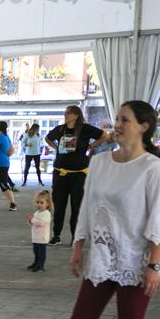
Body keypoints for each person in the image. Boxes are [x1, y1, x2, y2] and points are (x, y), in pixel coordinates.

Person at [21, 100, 160, 319]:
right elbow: (87, 207)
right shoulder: (100, 162)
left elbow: (159, 219)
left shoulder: (152, 167)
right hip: (102, 258)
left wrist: (154, 265)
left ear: (143, 127)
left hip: (136, 261)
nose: (118, 124)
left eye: (125, 120)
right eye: (117, 119)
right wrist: (78, 246)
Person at [45, 105, 108, 245]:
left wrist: (92, 146)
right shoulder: (60, 129)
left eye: (68, 113)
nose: (65, 115)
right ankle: (56, 235)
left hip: (79, 174)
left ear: (76, 115)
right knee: (59, 205)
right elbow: (47, 138)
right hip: (60, 172)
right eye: (65, 113)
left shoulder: (85, 129)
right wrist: (56, 147)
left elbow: (104, 135)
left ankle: (76, 236)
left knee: (77, 206)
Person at [26, 190, 53, 272]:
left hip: (42, 238)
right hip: (36, 237)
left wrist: (32, 220)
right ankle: (36, 263)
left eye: (41, 203)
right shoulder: (37, 213)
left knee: (41, 253)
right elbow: (34, 224)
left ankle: (40, 265)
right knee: (36, 252)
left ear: (47, 204)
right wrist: (30, 221)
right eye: (37, 202)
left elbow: (42, 223)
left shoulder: (46, 213)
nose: (39, 204)